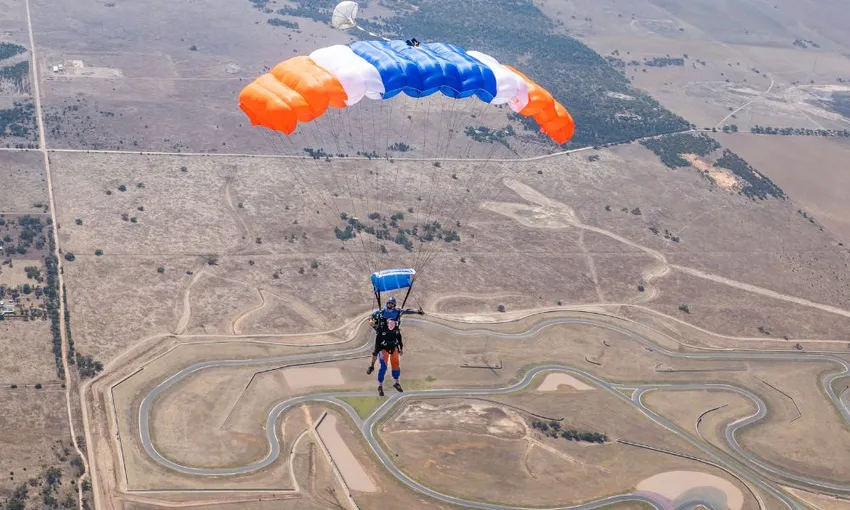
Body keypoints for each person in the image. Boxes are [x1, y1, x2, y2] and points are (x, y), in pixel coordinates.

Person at [367, 296, 422, 376]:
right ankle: (372, 366)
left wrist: (417, 311)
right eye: (389, 304)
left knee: (396, 344)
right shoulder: (381, 312)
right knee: (375, 352)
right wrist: (371, 320)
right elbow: (371, 316)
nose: (390, 306)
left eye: (392, 304)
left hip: (393, 333)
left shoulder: (398, 312)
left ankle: (397, 355)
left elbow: (407, 311)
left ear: (394, 305)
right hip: (381, 334)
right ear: (386, 304)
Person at [371, 317, 404, 396]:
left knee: (395, 366)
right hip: (383, 350)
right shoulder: (382, 331)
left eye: (393, 323)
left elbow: (399, 340)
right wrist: (376, 351)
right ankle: (380, 386)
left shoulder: (396, 331)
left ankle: (396, 383)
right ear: (387, 323)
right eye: (390, 323)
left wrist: (401, 348)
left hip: (394, 348)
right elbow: (378, 342)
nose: (392, 325)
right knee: (383, 367)